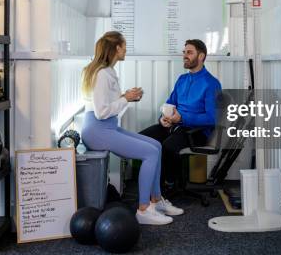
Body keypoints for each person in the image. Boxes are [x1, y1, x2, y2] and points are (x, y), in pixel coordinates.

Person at [81, 31, 184, 225]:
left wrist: (128, 97)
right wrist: (125, 98)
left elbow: (111, 107)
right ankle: (144, 210)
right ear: (116, 48)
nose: (126, 49)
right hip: (98, 130)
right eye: (124, 45)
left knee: (156, 145)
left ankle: (156, 199)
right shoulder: (102, 74)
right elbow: (101, 112)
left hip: (106, 127)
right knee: (150, 153)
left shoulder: (108, 71)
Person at [140, 39, 222, 193]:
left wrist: (182, 118)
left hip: (196, 131)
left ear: (201, 56)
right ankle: (150, 185)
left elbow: (212, 119)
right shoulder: (182, 79)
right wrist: (163, 118)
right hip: (174, 124)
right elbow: (170, 104)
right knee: (143, 140)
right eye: (184, 52)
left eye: (189, 52)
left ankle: (167, 186)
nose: (185, 56)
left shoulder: (211, 83)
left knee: (168, 147)